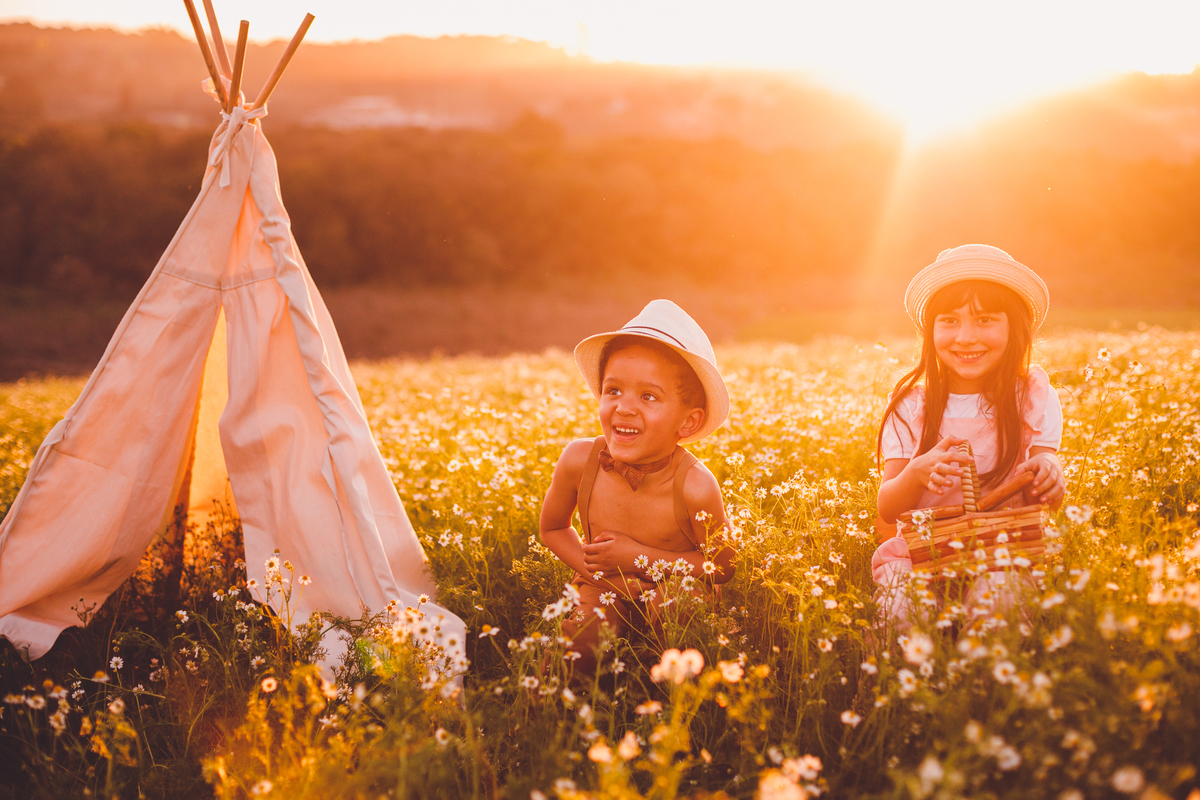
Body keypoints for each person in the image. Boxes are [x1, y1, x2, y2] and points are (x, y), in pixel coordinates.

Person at [872, 244, 1066, 632]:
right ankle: (906, 688)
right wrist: (915, 475)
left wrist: (1049, 473)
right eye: (949, 321)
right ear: (931, 330)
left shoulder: (1031, 396)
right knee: (901, 610)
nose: (965, 337)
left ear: (1015, 327)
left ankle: (986, 688)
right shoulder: (911, 404)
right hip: (918, 557)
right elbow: (887, 507)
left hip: (1005, 553)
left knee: (1003, 603)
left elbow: (1050, 496)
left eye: (985, 320)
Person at [540, 299, 735, 677]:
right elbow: (552, 528)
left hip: (675, 585)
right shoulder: (579, 461)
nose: (624, 408)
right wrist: (595, 571)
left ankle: (673, 699)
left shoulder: (695, 484)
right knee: (581, 638)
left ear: (688, 423)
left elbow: (722, 565)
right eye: (613, 391)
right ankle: (553, 709)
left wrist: (636, 557)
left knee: (677, 609)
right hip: (602, 581)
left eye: (648, 396)